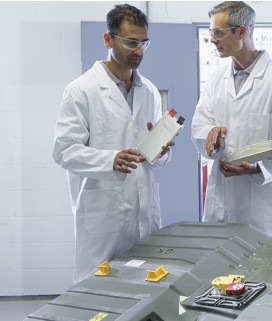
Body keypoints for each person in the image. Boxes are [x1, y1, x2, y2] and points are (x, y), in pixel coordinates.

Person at [53, 4, 173, 283]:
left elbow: (155, 156)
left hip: (144, 214)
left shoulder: (150, 91)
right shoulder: (81, 90)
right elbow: (64, 151)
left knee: (145, 291)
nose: (139, 51)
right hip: (103, 217)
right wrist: (110, 160)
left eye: (144, 43)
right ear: (108, 40)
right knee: (100, 293)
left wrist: (161, 151)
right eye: (131, 42)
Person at [191, 1, 272, 238]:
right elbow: (199, 125)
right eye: (211, 33)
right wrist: (209, 136)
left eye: (218, 32)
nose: (212, 40)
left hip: (265, 212)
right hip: (222, 208)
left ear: (242, 31)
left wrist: (261, 168)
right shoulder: (217, 80)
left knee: (265, 273)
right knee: (220, 274)